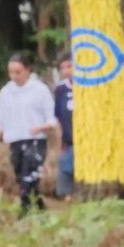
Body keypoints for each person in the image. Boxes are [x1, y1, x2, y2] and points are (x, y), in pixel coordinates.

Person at [0, 53, 62, 211]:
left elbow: (51, 118)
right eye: (11, 72)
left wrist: (41, 128)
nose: (14, 76)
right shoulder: (6, 92)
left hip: (36, 141)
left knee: (29, 178)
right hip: (15, 142)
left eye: (18, 72)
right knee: (21, 178)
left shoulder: (40, 90)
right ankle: (39, 210)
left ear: (28, 70)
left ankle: (25, 213)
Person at [49, 54, 78, 199]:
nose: (66, 71)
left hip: (87, 141)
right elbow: (57, 116)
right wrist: (59, 138)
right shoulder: (60, 89)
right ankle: (67, 199)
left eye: (70, 66)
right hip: (68, 140)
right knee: (66, 169)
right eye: (63, 68)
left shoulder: (88, 85)